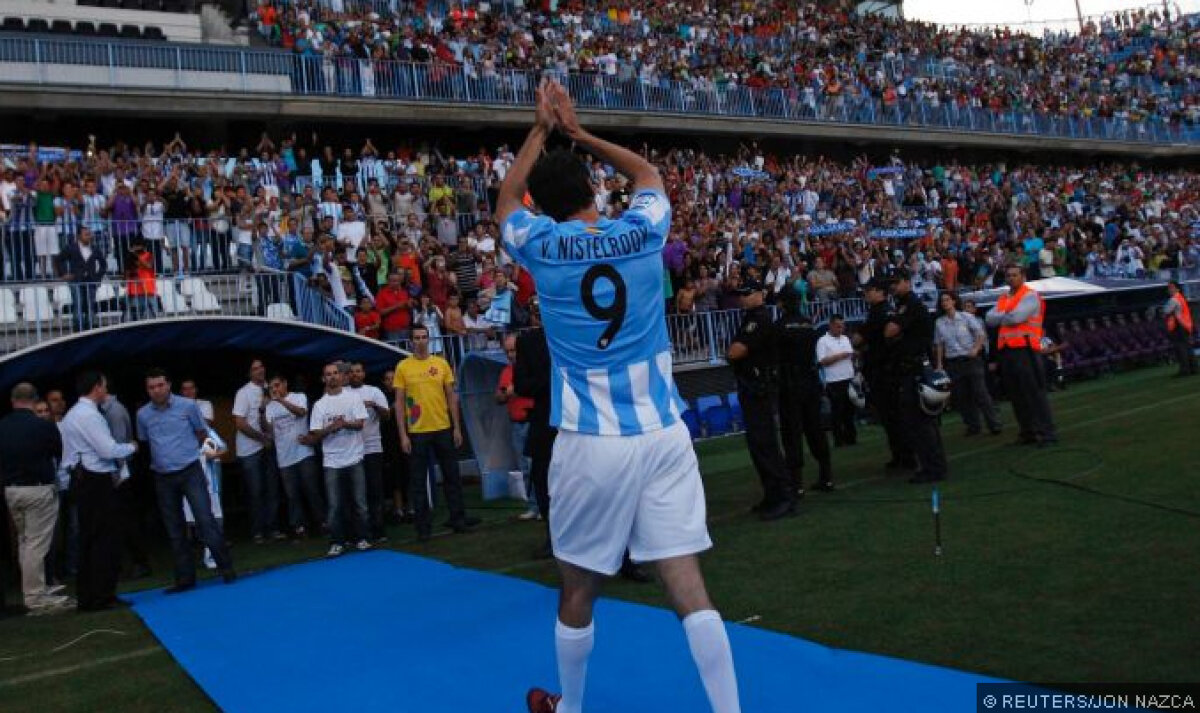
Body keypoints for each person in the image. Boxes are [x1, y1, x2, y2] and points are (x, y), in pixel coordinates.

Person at [499, 81, 739, 713]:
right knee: (687, 585)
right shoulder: (641, 231)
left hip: (592, 440)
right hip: (663, 431)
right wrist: (578, 134)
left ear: (543, 207)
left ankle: (571, 709)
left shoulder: (541, 246)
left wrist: (538, 131)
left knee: (577, 590)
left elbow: (503, 202)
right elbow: (650, 173)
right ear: (592, 191)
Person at [137, 368, 236, 593]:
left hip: (190, 470)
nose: (156, 390)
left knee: (205, 519)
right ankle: (185, 579)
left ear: (168, 385)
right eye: (151, 387)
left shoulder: (188, 406)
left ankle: (226, 567)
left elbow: (202, 433)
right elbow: (145, 443)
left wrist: (191, 452)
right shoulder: (143, 414)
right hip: (163, 476)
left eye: (160, 385)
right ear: (147, 390)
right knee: (174, 529)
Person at [59, 370, 138, 612]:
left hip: (82, 479)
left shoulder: (73, 414)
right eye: (104, 386)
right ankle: (103, 595)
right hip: (95, 480)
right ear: (96, 387)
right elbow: (107, 449)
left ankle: (90, 596)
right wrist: (131, 447)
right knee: (105, 540)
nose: (107, 390)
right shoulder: (89, 416)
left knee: (89, 540)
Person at [393, 325, 480, 541]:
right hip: (417, 432)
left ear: (429, 339)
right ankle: (423, 529)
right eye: (417, 338)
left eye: (424, 337)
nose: (421, 341)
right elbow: (399, 403)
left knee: (452, 477)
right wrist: (403, 435)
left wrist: (456, 427)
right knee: (418, 482)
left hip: (443, 428)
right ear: (411, 341)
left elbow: (452, 396)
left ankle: (458, 520)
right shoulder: (403, 367)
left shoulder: (441, 363)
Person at [0, 383, 71, 613]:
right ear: (34, 400)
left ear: (13, 401)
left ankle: (32, 589)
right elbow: (58, 454)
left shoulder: (2, 426)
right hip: (38, 489)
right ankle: (35, 596)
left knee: (24, 541)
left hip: (11, 490)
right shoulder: (43, 426)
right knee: (36, 544)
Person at [728, 282, 793, 520]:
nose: (743, 298)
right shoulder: (750, 318)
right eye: (741, 294)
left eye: (747, 293)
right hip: (752, 388)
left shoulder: (760, 319)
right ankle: (772, 495)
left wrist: (734, 349)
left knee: (765, 444)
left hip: (759, 390)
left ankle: (784, 496)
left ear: (759, 295)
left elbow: (736, 351)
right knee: (758, 445)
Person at [985, 265, 1059, 447]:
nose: (1011, 278)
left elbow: (1015, 318)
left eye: (1014, 275)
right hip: (1008, 352)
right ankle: (1028, 432)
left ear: (1023, 277)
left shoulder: (1030, 295)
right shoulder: (1004, 297)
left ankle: (1047, 433)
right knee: (1016, 395)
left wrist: (1003, 315)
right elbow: (988, 318)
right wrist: (1007, 315)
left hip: (1026, 351)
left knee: (1034, 393)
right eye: (1008, 275)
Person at [886, 271, 948, 483]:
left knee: (920, 421)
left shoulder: (910, 304)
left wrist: (893, 322)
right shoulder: (905, 304)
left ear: (907, 282)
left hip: (915, 368)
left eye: (896, 282)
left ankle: (932, 467)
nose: (893, 287)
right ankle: (933, 465)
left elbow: (890, 331)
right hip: (913, 367)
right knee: (922, 422)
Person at [308, 362, 372, 557]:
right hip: (331, 462)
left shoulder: (353, 398)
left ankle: (362, 538)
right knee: (335, 506)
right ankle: (337, 542)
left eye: (335, 373)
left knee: (360, 503)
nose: (333, 377)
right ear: (324, 378)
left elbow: (361, 424)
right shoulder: (319, 405)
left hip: (354, 458)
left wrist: (345, 423)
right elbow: (314, 434)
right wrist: (331, 428)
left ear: (341, 376)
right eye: (329, 374)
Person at [775, 286, 833, 496]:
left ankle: (796, 483)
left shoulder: (780, 326)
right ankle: (826, 476)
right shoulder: (809, 324)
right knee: (815, 428)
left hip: (790, 383)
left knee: (792, 432)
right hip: (810, 380)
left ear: (782, 303)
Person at [855, 278, 914, 472]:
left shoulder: (879, 312)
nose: (866, 294)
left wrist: (860, 340)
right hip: (883, 368)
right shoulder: (884, 310)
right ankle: (901, 455)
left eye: (869, 290)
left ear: (879, 292)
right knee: (891, 417)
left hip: (884, 370)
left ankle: (905, 457)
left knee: (893, 416)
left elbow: (859, 338)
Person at [935, 292, 1002, 436]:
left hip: (970, 360)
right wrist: (940, 364)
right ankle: (973, 425)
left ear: (954, 301)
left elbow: (981, 334)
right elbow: (939, 344)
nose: (944, 303)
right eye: (942, 301)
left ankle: (993, 423)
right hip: (953, 361)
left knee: (981, 393)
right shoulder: (940, 322)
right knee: (962, 396)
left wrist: (976, 348)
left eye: (947, 300)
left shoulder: (966, 317)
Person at [264, 373, 324, 537]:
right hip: (284, 456)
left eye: (277, 385)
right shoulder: (270, 407)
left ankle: (321, 522)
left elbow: (301, 413)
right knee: (292, 495)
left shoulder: (299, 396)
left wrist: (281, 401)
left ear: (285, 384)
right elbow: (270, 432)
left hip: (303, 452)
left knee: (311, 489)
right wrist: (263, 410)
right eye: (271, 387)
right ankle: (299, 526)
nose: (274, 389)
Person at [232, 358, 284, 543]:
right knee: (256, 492)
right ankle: (257, 532)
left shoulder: (272, 388)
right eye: (255, 368)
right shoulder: (243, 393)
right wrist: (262, 439)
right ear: (249, 373)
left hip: (269, 446)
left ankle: (273, 528)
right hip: (250, 450)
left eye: (261, 366)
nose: (260, 370)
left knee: (272, 489)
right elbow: (240, 423)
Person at [348, 362, 392, 542]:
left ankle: (379, 530)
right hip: (352, 451)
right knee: (356, 494)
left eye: (358, 371)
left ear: (364, 373)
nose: (355, 374)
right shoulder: (343, 394)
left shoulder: (374, 391)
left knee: (375, 491)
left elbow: (387, 416)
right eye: (352, 372)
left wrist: (373, 405)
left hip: (373, 448)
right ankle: (360, 533)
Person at [498, 333, 539, 520]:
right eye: (507, 351)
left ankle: (543, 506)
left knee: (536, 466)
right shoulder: (506, 371)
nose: (511, 354)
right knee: (525, 468)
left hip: (532, 422)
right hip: (516, 424)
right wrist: (506, 394)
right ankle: (533, 507)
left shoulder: (532, 368)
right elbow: (498, 397)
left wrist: (518, 388)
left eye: (513, 350)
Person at [817, 314, 858, 447]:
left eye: (842, 326)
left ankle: (851, 437)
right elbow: (822, 361)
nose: (841, 329)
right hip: (834, 380)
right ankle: (838, 439)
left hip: (848, 377)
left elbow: (850, 355)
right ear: (831, 325)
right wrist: (841, 356)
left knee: (849, 411)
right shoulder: (823, 341)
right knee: (837, 412)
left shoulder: (845, 338)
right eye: (838, 326)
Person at [1164, 281, 1195, 377]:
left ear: (1177, 289)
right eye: (1169, 287)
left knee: (1181, 350)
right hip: (1185, 326)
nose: (1169, 289)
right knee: (1188, 349)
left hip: (1178, 327)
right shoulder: (1181, 297)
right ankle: (1193, 368)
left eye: (1171, 287)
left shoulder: (1174, 299)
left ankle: (1184, 370)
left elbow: (1166, 311)